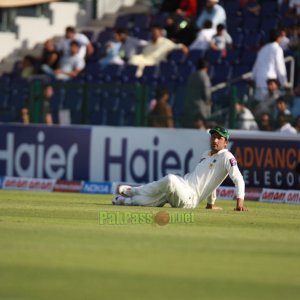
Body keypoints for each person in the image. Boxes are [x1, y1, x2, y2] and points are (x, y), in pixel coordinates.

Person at [112, 126, 248, 211]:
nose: (215, 140)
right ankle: (125, 201)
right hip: (183, 187)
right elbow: (208, 179)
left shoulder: (227, 156)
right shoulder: (205, 154)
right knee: (158, 197)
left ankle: (133, 191)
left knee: (171, 179)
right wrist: (210, 204)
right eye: (213, 137)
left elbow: (239, 180)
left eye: (219, 138)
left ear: (226, 143)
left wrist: (239, 204)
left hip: (190, 199)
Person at [251, 29, 289, 102]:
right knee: (271, 104)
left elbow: (256, 65)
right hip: (270, 82)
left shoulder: (263, 49)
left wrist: (253, 77)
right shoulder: (277, 49)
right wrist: (284, 83)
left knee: (261, 104)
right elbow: (280, 67)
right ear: (278, 38)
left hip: (259, 80)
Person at [182, 58, 211, 128]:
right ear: (206, 67)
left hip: (189, 108)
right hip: (200, 110)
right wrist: (208, 102)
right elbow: (207, 93)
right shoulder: (204, 76)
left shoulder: (191, 76)